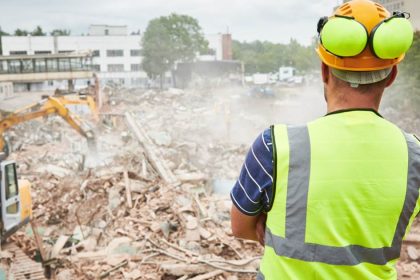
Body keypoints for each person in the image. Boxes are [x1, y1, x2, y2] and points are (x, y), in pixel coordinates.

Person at [230, 0, 420, 279]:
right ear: (391, 75)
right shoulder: (414, 157)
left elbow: (241, 227)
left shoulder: (274, 145)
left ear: (324, 70)